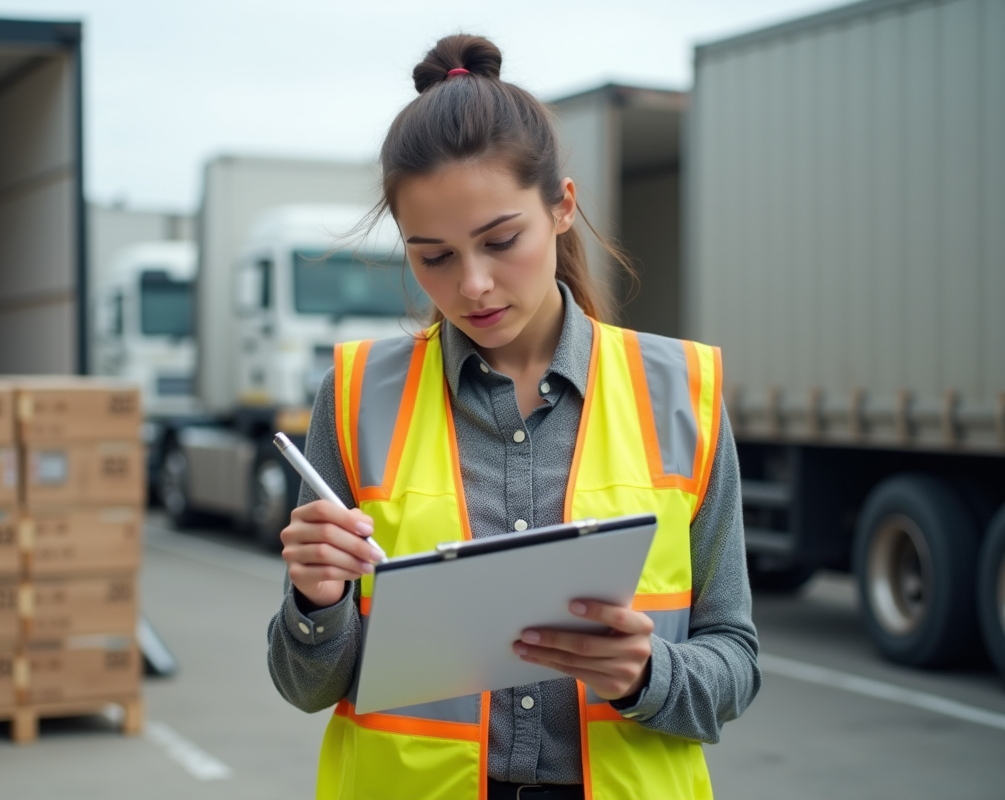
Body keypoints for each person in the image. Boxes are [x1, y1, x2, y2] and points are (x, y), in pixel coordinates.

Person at [267, 33, 759, 800]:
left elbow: (735, 660)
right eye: (433, 256)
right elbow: (305, 686)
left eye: (501, 241)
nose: (474, 286)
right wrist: (315, 600)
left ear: (562, 207)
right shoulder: (357, 395)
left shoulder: (681, 393)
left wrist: (649, 674)